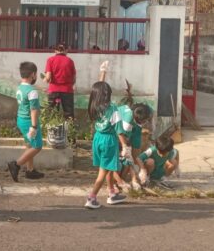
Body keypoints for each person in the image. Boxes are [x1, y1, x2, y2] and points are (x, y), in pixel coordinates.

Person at [98, 62, 153, 192]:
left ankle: (132, 179)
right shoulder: (123, 120)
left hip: (125, 135)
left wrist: (141, 170)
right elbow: (122, 136)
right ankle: (117, 183)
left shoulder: (144, 110)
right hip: (112, 137)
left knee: (130, 157)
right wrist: (124, 148)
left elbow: (134, 154)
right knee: (113, 163)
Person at [84, 80, 128, 209]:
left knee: (107, 167)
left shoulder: (94, 106)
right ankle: (91, 198)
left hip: (97, 138)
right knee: (102, 172)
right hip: (109, 141)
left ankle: (112, 194)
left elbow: (98, 85)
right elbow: (119, 130)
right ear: (108, 94)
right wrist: (125, 147)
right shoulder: (113, 108)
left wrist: (102, 72)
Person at [7, 62, 44, 182]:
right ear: (33, 74)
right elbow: (33, 109)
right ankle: (16, 164)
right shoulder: (32, 91)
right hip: (29, 122)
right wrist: (34, 126)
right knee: (37, 146)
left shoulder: (20, 88)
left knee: (29, 144)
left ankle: (30, 170)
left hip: (21, 120)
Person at [43, 42, 76, 119]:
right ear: (66, 50)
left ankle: (50, 129)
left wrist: (45, 79)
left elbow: (48, 77)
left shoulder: (50, 60)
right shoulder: (70, 61)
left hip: (53, 89)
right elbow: (74, 79)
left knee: (51, 112)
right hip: (67, 90)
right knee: (69, 113)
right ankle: (70, 129)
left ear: (55, 50)